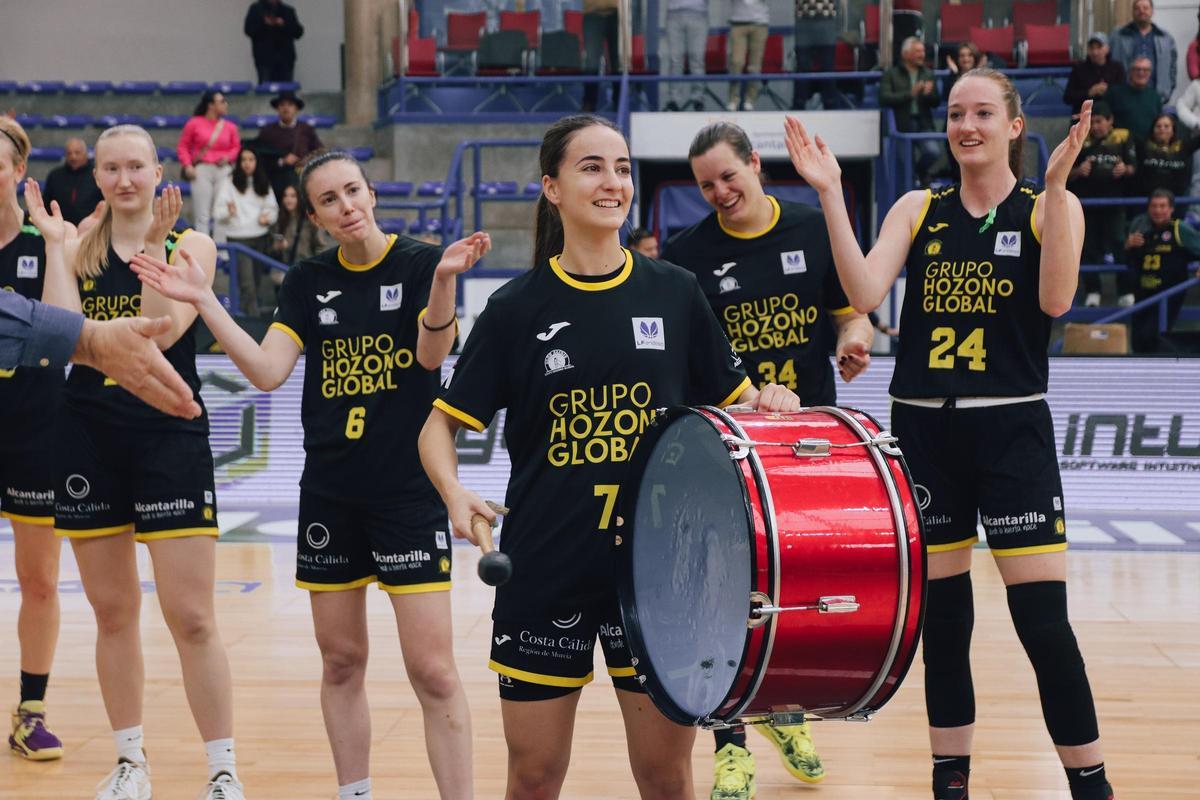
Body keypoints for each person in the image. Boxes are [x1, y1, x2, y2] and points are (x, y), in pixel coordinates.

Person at [418, 114, 800, 800]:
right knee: (534, 776)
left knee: (663, 776)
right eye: (591, 167)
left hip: (662, 572)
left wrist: (770, 399)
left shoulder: (675, 292)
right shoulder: (514, 309)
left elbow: (738, 404)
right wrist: (455, 495)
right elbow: (436, 428)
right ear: (552, 189)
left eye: (622, 167)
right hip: (546, 566)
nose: (613, 181)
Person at [786, 70, 1117, 800]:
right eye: (956, 113)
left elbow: (1058, 299)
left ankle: (1091, 784)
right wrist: (832, 193)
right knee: (945, 627)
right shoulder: (917, 207)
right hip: (927, 432)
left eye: (983, 113)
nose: (967, 125)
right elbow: (866, 294)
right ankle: (951, 782)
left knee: (1043, 626)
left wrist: (1059, 190)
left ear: (1014, 125)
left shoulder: (1045, 208)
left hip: (1010, 431)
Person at [131, 150, 487, 800]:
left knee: (433, 671)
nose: (346, 205)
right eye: (330, 200)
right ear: (317, 217)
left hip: (408, 490)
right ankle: (355, 793)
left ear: (371, 193)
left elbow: (431, 355)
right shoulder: (307, 282)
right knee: (342, 660)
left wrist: (442, 284)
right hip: (329, 492)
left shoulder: (419, 262)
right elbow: (267, 372)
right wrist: (206, 300)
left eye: (352, 190)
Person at [663, 121, 875, 800]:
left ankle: (784, 715)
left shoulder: (812, 227)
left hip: (807, 446)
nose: (720, 192)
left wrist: (856, 336)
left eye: (729, 176)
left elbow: (850, 313)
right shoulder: (688, 253)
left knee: (798, 593)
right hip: (726, 448)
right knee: (723, 597)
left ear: (755, 164)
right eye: (705, 185)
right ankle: (731, 744)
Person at [35, 124, 242, 800]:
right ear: (96, 177)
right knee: (113, 612)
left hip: (168, 438)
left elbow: (163, 330)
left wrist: (154, 244)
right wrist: (60, 254)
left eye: (136, 167)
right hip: (87, 437)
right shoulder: (75, 247)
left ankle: (222, 771)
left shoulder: (193, 244)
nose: (125, 179)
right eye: (111, 168)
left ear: (160, 171)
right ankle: (131, 763)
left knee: (193, 617)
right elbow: (65, 338)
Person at [0, 116, 65, 764]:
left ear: (19, 174)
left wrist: (53, 245)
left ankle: (30, 713)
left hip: (35, 430)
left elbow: (57, 333)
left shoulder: (44, 244)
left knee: (39, 580)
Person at [0, 288, 199, 417]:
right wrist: (89, 342)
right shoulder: (80, 247)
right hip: (83, 426)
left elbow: (163, 337)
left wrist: (90, 341)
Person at [1067, 102, 1136, 307]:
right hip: (1086, 204)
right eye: (1093, 122)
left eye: (1099, 122)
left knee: (1118, 243)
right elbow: (1063, 173)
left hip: (1115, 203)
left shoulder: (1123, 137)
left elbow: (1135, 168)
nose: (1095, 126)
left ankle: (1124, 291)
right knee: (1088, 247)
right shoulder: (1079, 138)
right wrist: (1079, 171)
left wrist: (1126, 169)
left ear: (1110, 121)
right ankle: (1093, 291)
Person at [1123, 189, 1200, 352]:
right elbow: (1127, 261)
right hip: (1142, 292)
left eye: (1162, 206)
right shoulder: (1140, 228)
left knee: (1152, 336)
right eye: (1154, 206)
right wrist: (1128, 246)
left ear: (1171, 209)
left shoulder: (1180, 229)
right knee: (1137, 341)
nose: (1158, 210)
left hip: (1168, 293)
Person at [214, 147, 279, 316]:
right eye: (244, 160)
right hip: (238, 238)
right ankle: (251, 324)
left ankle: (248, 319)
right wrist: (229, 212)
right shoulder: (229, 182)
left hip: (260, 237)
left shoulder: (263, 181)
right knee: (247, 284)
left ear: (256, 162)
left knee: (255, 284)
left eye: (251, 159)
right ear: (239, 162)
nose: (247, 163)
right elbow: (217, 213)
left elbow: (273, 209)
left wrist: (268, 218)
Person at [178, 91, 242, 238]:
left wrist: (228, 157)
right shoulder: (194, 123)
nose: (225, 104)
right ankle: (203, 248)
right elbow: (183, 146)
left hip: (223, 170)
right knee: (202, 213)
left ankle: (221, 250)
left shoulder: (230, 126)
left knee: (222, 210)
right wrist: (187, 165)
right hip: (202, 169)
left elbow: (236, 147)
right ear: (211, 105)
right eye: (222, 101)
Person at [881, 37, 943, 185]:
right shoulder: (892, 74)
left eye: (923, 51)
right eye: (917, 51)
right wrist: (910, 94)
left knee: (933, 152)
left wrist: (930, 94)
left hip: (923, 123)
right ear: (906, 54)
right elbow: (884, 98)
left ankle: (920, 174)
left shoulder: (928, 73)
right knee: (905, 163)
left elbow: (936, 102)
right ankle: (913, 187)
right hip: (902, 124)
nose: (922, 54)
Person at [254, 90, 322, 200]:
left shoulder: (306, 129)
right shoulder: (267, 131)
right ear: (277, 108)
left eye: (290, 105)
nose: (286, 108)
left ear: (296, 108)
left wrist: (304, 161)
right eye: (282, 105)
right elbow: (260, 156)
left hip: (301, 178)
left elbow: (320, 151)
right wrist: (281, 161)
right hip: (275, 180)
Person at [1109, 0, 1177, 104]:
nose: (1141, 11)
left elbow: (1172, 68)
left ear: (1152, 11)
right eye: (1137, 8)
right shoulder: (1118, 36)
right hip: (1124, 98)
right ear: (1132, 12)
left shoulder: (1165, 38)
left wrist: (1167, 91)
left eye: (1145, 8)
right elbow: (1109, 63)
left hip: (1157, 98)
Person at [41, 137, 102, 226]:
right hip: (61, 230)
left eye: (77, 153)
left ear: (86, 153)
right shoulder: (55, 176)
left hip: (92, 230)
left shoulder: (97, 174)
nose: (73, 157)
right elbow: (46, 204)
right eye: (69, 153)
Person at [793, 0, 840, 111]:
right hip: (803, 20)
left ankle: (830, 105)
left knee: (827, 66)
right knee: (802, 66)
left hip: (826, 18)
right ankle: (799, 105)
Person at [1064, 33, 1125, 118]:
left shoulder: (1117, 68)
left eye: (1099, 47)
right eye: (1091, 48)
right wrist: (1089, 92)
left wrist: (1108, 91)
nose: (1095, 52)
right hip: (1084, 116)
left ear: (1107, 49)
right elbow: (1068, 97)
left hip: (1110, 118)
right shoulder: (1079, 69)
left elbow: (1123, 95)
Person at [244, 0, 305, 84]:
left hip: (285, 59)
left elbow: (298, 32)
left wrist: (284, 24)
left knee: (286, 90)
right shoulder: (256, 9)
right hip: (264, 59)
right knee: (266, 90)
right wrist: (263, 23)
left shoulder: (287, 11)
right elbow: (249, 30)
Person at [1136, 114, 1197, 198]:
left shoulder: (1183, 147)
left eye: (1166, 126)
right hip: (1147, 201)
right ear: (1153, 130)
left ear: (1173, 131)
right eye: (1158, 126)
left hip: (1177, 201)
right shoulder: (1143, 147)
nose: (1162, 129)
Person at [271, 182, 328, 268]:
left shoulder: (310, 220)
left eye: (293, 196)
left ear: (299, 198)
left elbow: (321, 247)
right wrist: (277, 247)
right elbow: (274, 251)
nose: (288, 199)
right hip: (287, 267)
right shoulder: (280, 219)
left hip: (307, 267)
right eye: (285, 196)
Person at [1106, 56, 1162, 142]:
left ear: (1150, 73)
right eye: (1137, 69)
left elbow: (1159, 124)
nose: (1141, 73)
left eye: (1145, 70)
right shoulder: (1114, 93)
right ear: (1131, 72)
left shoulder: (1155, 97)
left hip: (1147, 148)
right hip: (1119, 146)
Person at [664, 0, 708, 112]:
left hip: (698, 13)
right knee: (675, 60)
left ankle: (698, 99)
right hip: (673, 14)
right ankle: (674, 100)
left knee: (697, 59)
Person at [727, 0, 769, 111]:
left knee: (754, 65)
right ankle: (733, 100)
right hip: (737, 22)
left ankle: (750, 100)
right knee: (736, 62)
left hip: (759, 23)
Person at [582, 0, 620, 112]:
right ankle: (589, 103)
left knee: (618, 61)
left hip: (618, 14)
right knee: (591, 61)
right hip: (592, 12)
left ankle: (619, 101)